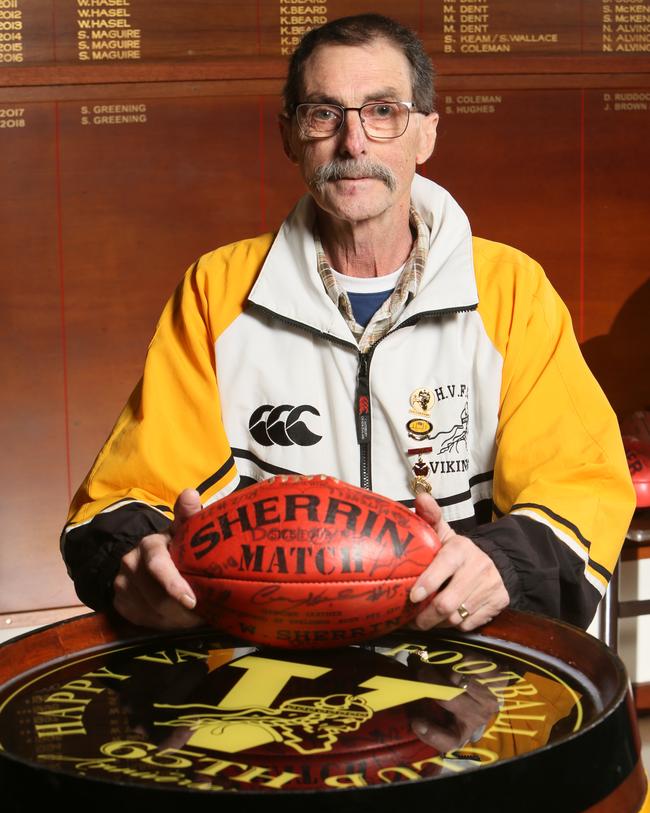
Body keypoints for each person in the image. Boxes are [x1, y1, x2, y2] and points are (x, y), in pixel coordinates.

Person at [60, 14, 634, 636]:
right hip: (261, 664)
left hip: (457, 662)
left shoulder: (511, 290)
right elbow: (120, 496)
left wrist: (502, 566)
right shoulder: (217, 291)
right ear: (289, 136)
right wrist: (135, 564)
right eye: (323, 114)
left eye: (383, 111)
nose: (354, 144)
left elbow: (582, 485)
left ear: (426, 135)